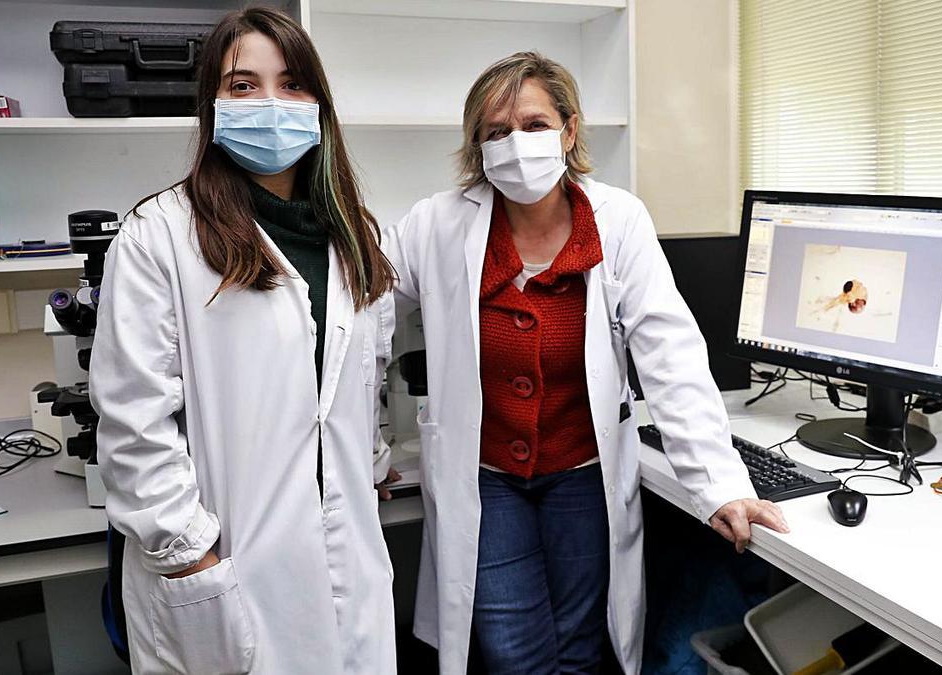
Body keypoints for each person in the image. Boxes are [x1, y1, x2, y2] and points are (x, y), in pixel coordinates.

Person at [385, 51, 790, 675]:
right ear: (477, 147)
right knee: (511, 651)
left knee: (580, 647)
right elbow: (360, 316)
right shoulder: (435, 224)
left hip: (583, 473)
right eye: (496, 132)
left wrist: (720, 483)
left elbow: (670, 353)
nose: (516, 144)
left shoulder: (618, 220)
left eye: (535, 124)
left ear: (569, 130)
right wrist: (363, 447)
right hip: (485, 478)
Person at [90, 8, 397, 674]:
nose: (270, 103)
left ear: (319, 103)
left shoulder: (352, 233)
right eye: (242, 85)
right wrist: (191, 552)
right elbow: (133, 422)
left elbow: (360, 377)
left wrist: (367, 464)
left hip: (347, 556)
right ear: (212, 104)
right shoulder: (159, 234)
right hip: (228, 568)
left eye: (291, 84)